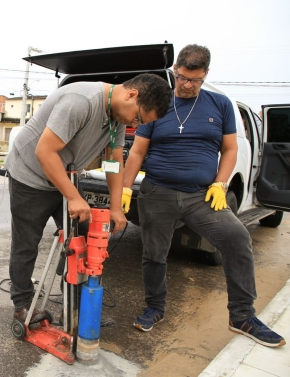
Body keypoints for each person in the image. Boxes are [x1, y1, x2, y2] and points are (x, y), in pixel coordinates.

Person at [123, 44, 286, 348]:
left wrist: (220, 184)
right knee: (154, 254)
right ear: (175, 71)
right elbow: (138, 152)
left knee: (237, 238)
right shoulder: (159, 103)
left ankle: (242, 315)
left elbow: (230, 149)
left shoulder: (220, 104)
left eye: (194, 80)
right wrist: (124, 187)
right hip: (157, 192)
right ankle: (155, 307)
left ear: (205, 75)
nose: (187, 85)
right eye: (183, 78)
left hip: (201, 195)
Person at [4, 74, 172, 323]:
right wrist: (73, 197)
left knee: (83, 238)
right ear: (132, 94)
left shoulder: (117, 117)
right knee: (26, 244)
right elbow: (44, 151)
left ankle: (73, 303)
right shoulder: (80, 101)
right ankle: (23, 307)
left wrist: (116, 207)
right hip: (30, 175)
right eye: (137, 117)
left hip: (64, 174)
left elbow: (114, 162)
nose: (134, 122)